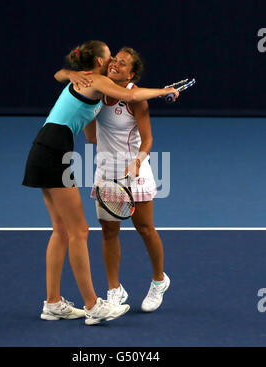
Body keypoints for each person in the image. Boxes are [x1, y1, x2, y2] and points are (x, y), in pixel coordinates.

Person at [23, 40, 179, 325]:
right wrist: (165, 91)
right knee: (82, 231)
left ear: (131, 75)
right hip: (67, 157)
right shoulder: (97, 83)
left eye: (120, 62)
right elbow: (96, 129)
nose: (114, 63)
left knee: (67, 230)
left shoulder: (100, 84)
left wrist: (70, 75)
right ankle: (97, 303)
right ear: (100, 63)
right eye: (112, 58)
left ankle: (55, 302)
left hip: (55, 152)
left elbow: (132, 106)